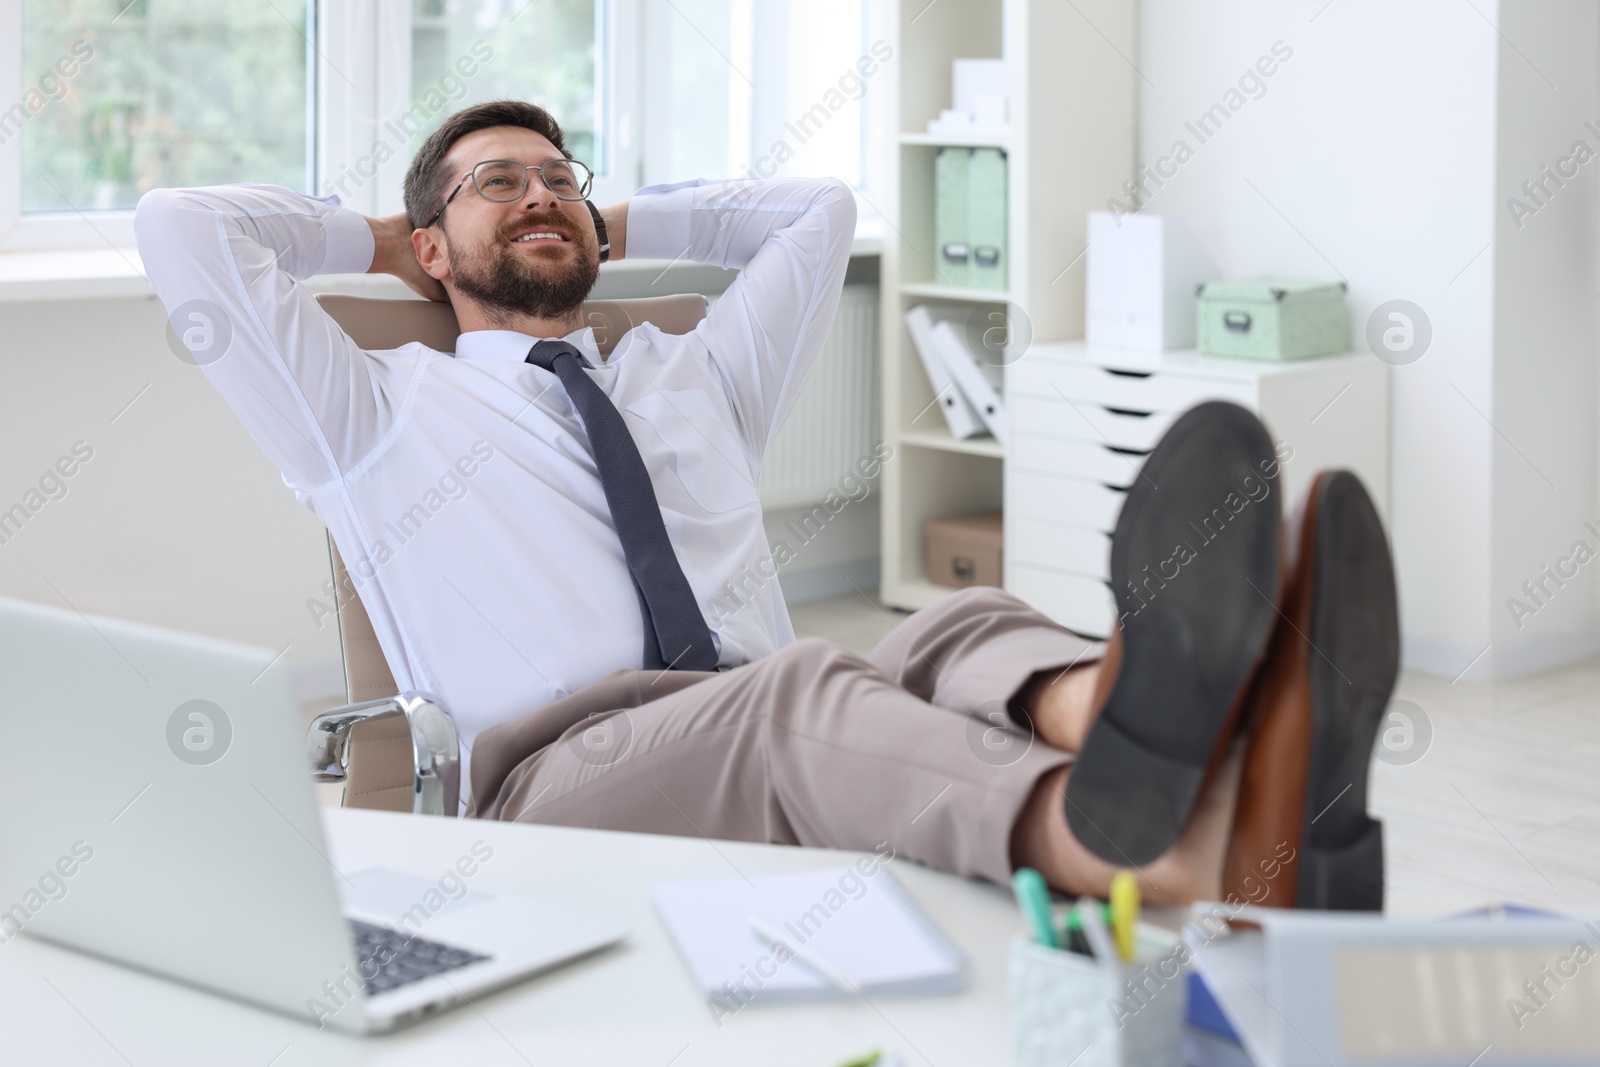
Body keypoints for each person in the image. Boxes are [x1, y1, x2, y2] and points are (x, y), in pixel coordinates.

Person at [135, 99, 1398, 909]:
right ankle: (1158, 845)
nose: (537, 194)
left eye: (559, 178)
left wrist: (589, 217)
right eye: (494, 183)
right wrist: (384, 233)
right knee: (800, 689)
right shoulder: (372, 411)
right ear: (427, 246)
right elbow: (181, 228)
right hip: (549, 792)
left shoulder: (695, 373)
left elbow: (815, 215)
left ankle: (1124, 707)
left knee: (945, 629)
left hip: (749, 714)